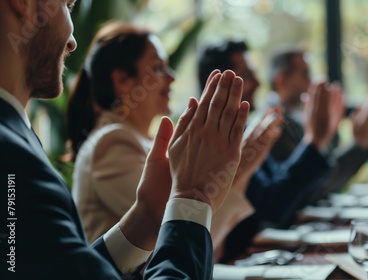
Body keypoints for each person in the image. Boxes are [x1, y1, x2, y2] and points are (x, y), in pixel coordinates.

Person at [0, 0, 248, 278]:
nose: (72, 42)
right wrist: (192, 199)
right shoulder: (11, 154)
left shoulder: (19, 139)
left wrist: (147, 218)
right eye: (67, 6)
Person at [66, 23, 258, 261]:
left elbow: (204, 248)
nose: (172, 77)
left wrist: (238, 167)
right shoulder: (111, 142)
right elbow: (178, 246)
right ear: (123, 81)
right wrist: (237, 167)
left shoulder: (137, 140)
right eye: (158, 68)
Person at [198, 40, 344, 261]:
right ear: (219, 84)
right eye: (247, 75)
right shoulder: (210, 143)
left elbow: (280, 191)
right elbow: (274, 208)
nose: (258, 83)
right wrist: (314, 141)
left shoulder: (247, 130)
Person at [268, 48, 368, 202]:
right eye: (305, 75)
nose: (310, 82)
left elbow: (322, 181)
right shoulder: (273, 124)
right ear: (282, 80)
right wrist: (358, 142)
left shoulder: (295, 120)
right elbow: (311, 190)